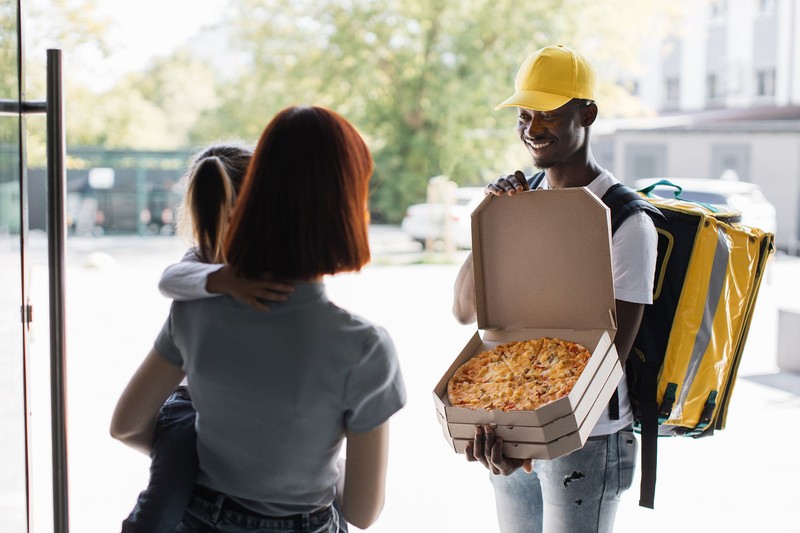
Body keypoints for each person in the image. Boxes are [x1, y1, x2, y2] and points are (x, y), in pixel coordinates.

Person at [452, 44, 658, 533]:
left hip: (585, 437)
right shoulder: (517, 204)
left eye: (547, 113)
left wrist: (530, 434)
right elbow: (464, 311)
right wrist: (493, 219)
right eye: (524, 115)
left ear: (587, 113)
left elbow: (609, 359)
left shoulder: (627, 223)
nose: (532, 128)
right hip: (509, 424)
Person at [121, 143, 295, 533]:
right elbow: (169, 280)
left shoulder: (279, 260)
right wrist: (222, 280)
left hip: (256, 402)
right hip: (192, 403)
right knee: (164, 500)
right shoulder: (205, 259)